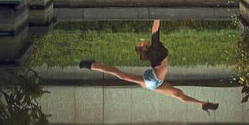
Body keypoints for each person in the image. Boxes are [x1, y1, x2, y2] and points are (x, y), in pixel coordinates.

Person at [78, 19, 219, 113]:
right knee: (179, 95)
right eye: (141, 43)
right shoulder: (154, 50)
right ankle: (202, 103)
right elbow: (155, 30)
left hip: (152, 81)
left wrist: (157, 15)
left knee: (120, 74)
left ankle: (91, 65)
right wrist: (157, 14)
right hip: (154, 83)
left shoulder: (154, 51)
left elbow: (155, 31)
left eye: (141, 42)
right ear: (145, 48)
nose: (142, 41)